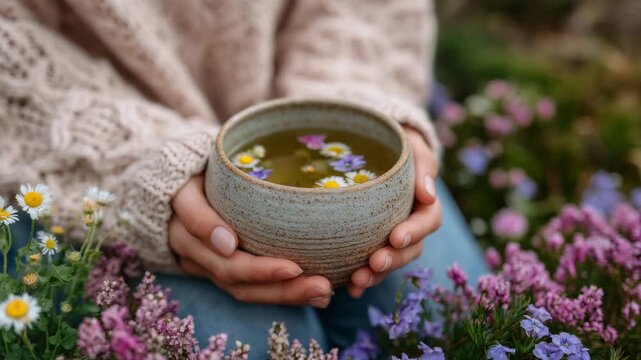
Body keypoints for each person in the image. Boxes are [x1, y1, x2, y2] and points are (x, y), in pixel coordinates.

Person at [0, 0, 487, 353]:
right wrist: (136, 166)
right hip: (50, 154)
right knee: (250, 344)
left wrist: (353, 108)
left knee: (448, 306)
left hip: (293, 111)